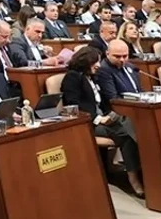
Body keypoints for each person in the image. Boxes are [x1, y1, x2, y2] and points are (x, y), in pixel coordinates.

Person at [60, 46, 145, 197]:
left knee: (134, 123)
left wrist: (110, 114)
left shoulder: (92, 77)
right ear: (85, 61)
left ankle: (140, 172)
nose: (99, 65)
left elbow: (102, 103)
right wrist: (98, 119)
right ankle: (135, 178)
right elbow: (73, 105)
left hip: (104, 119)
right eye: (95, 62)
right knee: (126, 134)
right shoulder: (72, 77)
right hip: (88, 124)